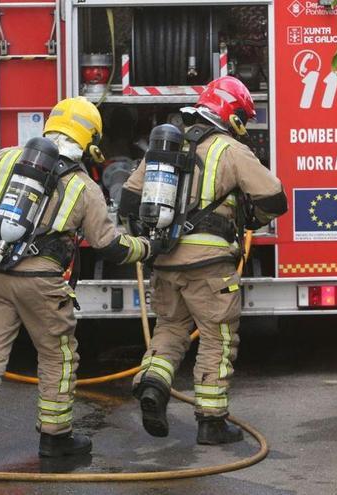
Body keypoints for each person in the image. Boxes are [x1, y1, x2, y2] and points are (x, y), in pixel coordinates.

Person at [0, 96, 155, 467]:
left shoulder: (6, 159)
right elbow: (109, 247)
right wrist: (145, 247)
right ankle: (56, 438)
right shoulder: (83, 187)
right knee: (56, 355)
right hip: (42, 283)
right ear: (90, 141)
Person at [119, 76, 288, 445]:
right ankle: (211, 422)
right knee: (217, 338)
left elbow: (129, 201)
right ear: (233, 115)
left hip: (165, 261)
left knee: (169, 330)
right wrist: (252, 219)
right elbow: (275, 198)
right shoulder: (231, 150)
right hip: (210, 267)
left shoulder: (164, 147)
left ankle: (152, 383)